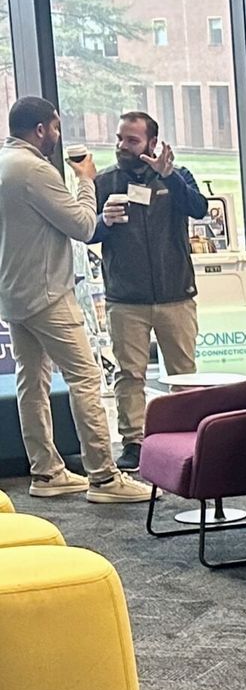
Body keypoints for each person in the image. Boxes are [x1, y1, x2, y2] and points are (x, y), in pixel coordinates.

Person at [0, 97, 151, 503]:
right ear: (39, 130)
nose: (57, 135)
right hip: (47, 293)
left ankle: (46, 472)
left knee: (31, 382)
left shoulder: (3, 163)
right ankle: (104, 476)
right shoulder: (34, 170)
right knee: (86, 378)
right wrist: (85, 179)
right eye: (54, 128)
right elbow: (84, 226)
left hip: (13, 292)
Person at [91, 110, 209, 471]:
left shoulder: (177, 177)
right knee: (130, 374)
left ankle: (186, 435)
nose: (122, 146)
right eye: (119, 138)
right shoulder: (105, 181)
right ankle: (134, 441)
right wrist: (103, 222)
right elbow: (86, 232)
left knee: (184, 372)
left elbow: (199, 209)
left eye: (132, 140)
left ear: (152, 144)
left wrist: (168, 177)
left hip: (175, 293)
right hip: (126, 297)